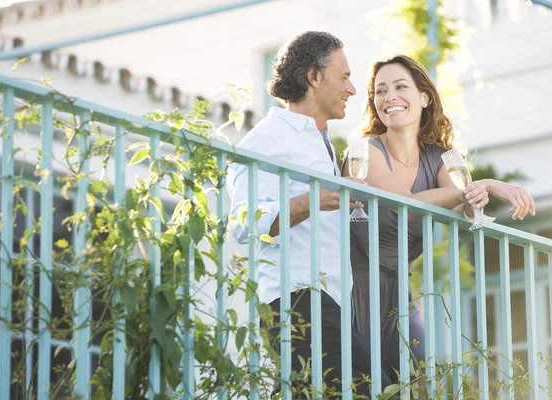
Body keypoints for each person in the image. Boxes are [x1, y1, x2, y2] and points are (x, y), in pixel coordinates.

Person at [343, 54, 535, 393]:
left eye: (401, 87)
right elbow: (408, 205)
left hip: (399, 295)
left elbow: (469, 204)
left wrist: (474, 192)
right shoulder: (362, 150)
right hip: (350, 290)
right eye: (380, 91)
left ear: (424, 97)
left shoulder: (446, 156)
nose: (389, 98)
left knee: (423, 380)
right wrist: (486, 185)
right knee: (362, 387)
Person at [227, 31, 391, 397]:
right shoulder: (268, 139)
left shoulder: (320, 141)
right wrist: (313, 199)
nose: (352, 89)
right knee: (366, 388)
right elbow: (242, 223)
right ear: (314, 77)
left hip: (329, 299)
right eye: (344, 77)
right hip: (296, 298)